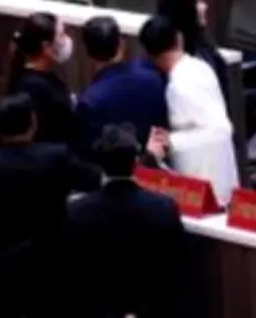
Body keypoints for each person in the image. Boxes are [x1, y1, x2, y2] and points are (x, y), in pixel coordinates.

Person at [0, 93, 99, 312]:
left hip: (0, 274)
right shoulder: (56, 157)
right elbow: (95, 179)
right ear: (33, 123)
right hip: (51, 270)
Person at [55, 124, 187, 318]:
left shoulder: (77, 212)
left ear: (99, 163)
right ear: (135, 161)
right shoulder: (164, 209)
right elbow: (173, 272)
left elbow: (75, 276)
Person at [139, 15, 239, 205]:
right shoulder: (199, 67)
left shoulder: (181, 86)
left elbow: (220, 129)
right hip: (213, 177)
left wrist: (170, 142)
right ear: (179, 39)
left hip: (205, 182)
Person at [75, 16, 170, 158]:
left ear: (87, 51)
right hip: (156, 164)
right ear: (121, 43)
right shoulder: (153, 76)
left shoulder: (88, 103)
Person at [4, 12, 76, 146]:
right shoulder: (32, 87)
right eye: (61, 36)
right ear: (46, 47)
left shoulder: (42, 77)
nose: (66, 41)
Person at [156, 0, 228, 99]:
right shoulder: (180, 65)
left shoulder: (202, 44)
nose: (204, 6)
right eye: (197, 2)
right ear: (184, 11)